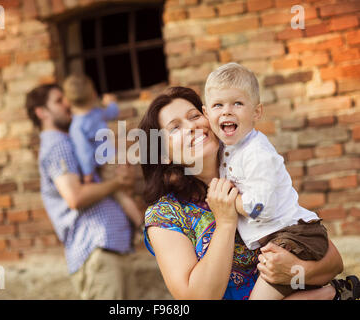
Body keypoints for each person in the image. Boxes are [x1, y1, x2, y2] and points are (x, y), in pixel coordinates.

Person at [138, 86, 351, 300]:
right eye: (175, 128)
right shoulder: (165, 215)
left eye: (195, 116)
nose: (192, 126)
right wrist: (226, 223)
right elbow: (197, 297)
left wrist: (296, 272)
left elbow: (333, 261)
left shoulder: (249, 174)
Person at [202, 62, 360, 299]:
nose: (227, 111)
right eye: (218, 105)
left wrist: (229, 203)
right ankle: (335, 295)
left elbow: (261, 208)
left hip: (295, 236)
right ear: (206, 114)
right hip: (279, 238)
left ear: (257, 112)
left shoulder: (257, 152)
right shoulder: (228, 147)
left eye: (237, 103)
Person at [26, 83, 134, 299]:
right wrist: (116, 184)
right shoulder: (57, 145)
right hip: (97, 252)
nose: (67, 104)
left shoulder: (71, 139)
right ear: (41, 112)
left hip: (108, 249)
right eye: (58, 101)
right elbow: (75, 197)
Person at [63, 74, 143, 229]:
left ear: (67, 101)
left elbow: (84, 152)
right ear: (93, 94)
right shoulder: (98, 112)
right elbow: (112, 112)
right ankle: (136, 221)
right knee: (127, 192)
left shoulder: (77, 127)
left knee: (121, 195)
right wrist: (111, 102)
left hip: (105, 164)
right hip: (115, 156)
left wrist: (88, 174)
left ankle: (140, 223)